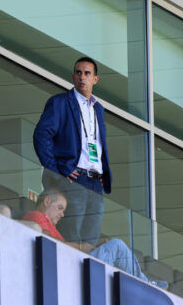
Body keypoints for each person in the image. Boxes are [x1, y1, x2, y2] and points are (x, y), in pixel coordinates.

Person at [33, 56, 112, 247]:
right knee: (71, 235)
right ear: (73, 77)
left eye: (87, 73)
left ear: (95, 79)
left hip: (94, 182)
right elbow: (41, 136)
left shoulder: (98, 109)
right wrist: (57, 169)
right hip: (73, 177)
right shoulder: (60, 103)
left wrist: (101, 171)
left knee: (90, 239)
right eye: (78, 73)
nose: (82, 77)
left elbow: (95, 143)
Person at [23, 189, 163, 288]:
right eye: (60, 208)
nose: (62, 214)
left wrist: (96, 247)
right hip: (71, 271)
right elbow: (46, 240)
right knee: (117, 245)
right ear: (47, 201)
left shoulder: (54, 228)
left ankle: (142, 283)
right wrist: (80, 247)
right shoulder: (36, 216)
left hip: (74, 267)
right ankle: (145, 284)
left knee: (114, 246)